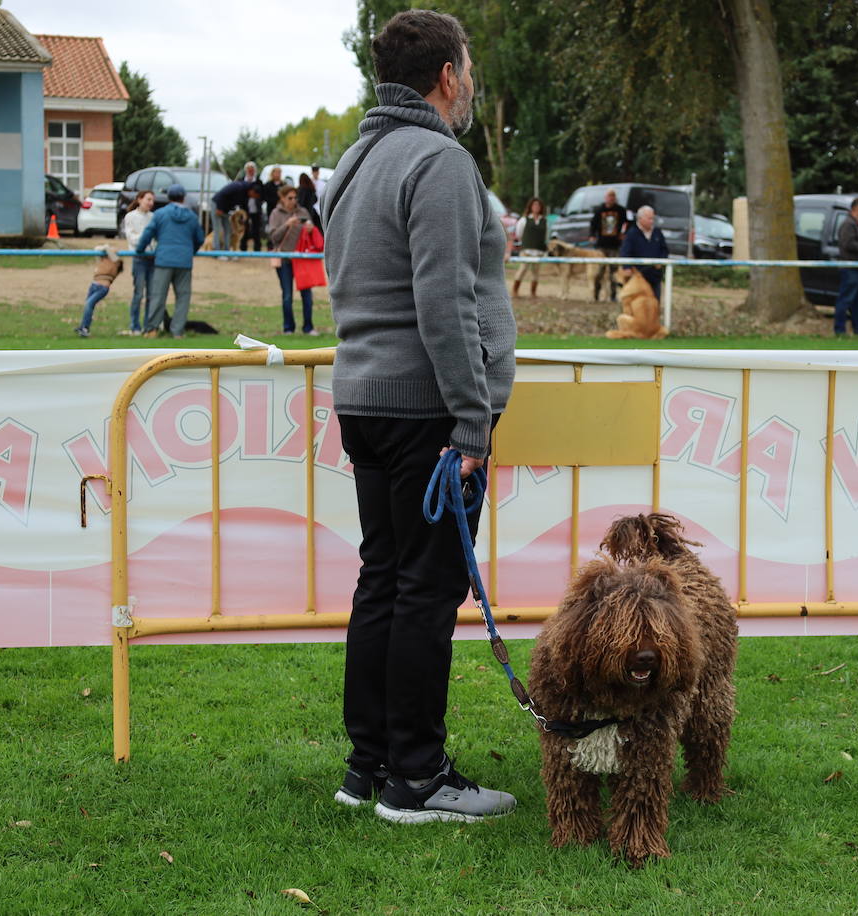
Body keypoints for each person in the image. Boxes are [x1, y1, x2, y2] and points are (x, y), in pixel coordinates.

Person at [321, 8, 517, 824]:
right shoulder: (436, 160)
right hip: (425, 412)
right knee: (424, 592)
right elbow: (445, 302)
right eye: (466, 67)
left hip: (367, 399)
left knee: (384, 582)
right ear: (447, 75)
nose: (470, 80)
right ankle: (417, 778)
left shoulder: (357, 158)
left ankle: (369, 766)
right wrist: (471, 422)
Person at [136, 183, 204, 339]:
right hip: (184, 262)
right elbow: (200, 238)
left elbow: (148, 233)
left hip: (163, 260)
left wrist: (140, 250)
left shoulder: (160, 214)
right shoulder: (192, 216)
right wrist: (190, 251)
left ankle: (152, 329)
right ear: (183, 197)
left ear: (168, 197)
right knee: (183, 297)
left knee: (158, 295)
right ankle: (177, 331)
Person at [267, 183, 318, 335]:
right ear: (282, 198)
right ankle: (288, 328)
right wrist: (286, 225)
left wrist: (310, 229)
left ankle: (308, 327)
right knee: (287, 296)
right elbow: (273, 237)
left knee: (307, 295)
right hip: (284, 260)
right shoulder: (276, 214)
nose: (293, 200)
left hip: (302, 259)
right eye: (289, 198)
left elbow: (312, 231)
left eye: (295, 197)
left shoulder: (302, 211)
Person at [834, 196, 858, 336]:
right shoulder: (848, 224)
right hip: (851, 269)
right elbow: (848, 245)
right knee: (846, 299)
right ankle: (839, 330)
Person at [120, 190, 156, 334]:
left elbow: (155, 238)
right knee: (138, 293)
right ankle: (135, 325)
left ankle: (148, 325)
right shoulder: (130, 216)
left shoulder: (153, 217)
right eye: (148, 199)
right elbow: (132, 239)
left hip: (152, 258)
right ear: (140, 199)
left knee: (151, 294)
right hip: (139, 258)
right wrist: (146, 237)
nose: (151, 203)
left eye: (152, 200)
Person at [618, 204, 668, 299]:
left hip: (654, 276)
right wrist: (627, 267)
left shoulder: (657, 233)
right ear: (640, 219)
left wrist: (661, 261)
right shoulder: (631, 234)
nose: (652, 221)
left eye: (652, 218)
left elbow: (664, 250)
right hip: (637, 276)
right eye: (649, 219)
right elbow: (625, 252)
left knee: (654, 302)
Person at [589, 188, 628, 300]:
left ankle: (613, 295)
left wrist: (623, 233)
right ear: (605, 198)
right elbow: (593, 224)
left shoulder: (621, 210)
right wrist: (592, 235)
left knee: (614, 272)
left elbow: (628, 223)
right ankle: (596, 295)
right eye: (609, 196)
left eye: (613, 196)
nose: (611, 198)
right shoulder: (599, 210)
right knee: (599, 271)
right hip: (601, 245)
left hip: (615, 245)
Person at [75, 245, 123, 337]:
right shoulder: (102, 260)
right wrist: (106, 247)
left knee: (89, 304)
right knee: (88, 306)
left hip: (102, 287)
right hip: (94, 285)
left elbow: (112, 253)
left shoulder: (116, 262)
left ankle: (85, 328)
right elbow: (97, 248)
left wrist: (108, 248)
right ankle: (84, 327)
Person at [511, 197, 548, 298]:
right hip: (527, 250)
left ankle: (533, 293)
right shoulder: (524, 219)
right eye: (534, 205)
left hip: (539, 251)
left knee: (536, 273)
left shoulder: (544, 220)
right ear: (531, 207)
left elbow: (545, 235)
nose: (536, 207)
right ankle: (515, 291)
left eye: (538, 205)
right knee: (522, 269)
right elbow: (519, 233)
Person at [211, 177, 250, 253]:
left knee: (228, 230)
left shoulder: (242, 191)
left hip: (226, 209)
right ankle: (216, 252)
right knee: (217, 229)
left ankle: (227, 251)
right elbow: (222, 194)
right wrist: (219, 208)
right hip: (217, 205)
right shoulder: (237, 187)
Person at [241, 161, 263, 251]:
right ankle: (243, 247)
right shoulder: (242, 180)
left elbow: (262, 194)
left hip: (256, 208)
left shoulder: (258, 181)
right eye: (249, 170)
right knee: (244, 228)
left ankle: (257, 248)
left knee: (256, 228)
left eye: (252, 170)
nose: (250, 172)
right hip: (245, 208)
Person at [260, 166, 284, 247]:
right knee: (272, 226)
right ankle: (270, 244)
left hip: (282, 210)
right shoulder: (267, 185)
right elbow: (265, 197)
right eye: (276, 172)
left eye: (279, 173)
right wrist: (275, 201)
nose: (278, 174)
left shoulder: (283, 185)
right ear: (272, 173)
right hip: (271, 209)